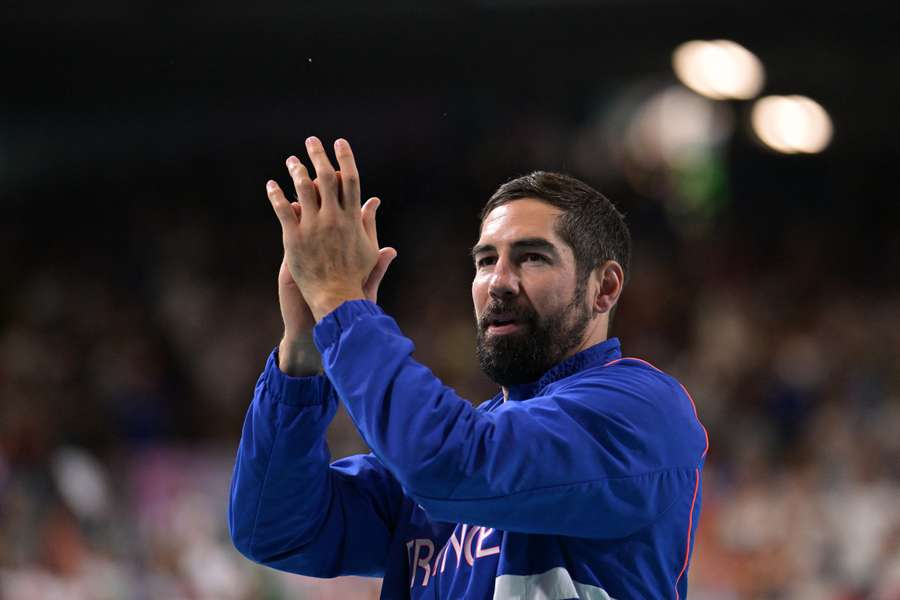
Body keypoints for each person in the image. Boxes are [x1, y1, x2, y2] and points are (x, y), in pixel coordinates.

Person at [228, 136, 708, 599]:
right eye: (484, 261)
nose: (498, 282)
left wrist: (339, 301)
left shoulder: (641, 413)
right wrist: (306, 354)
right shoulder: (469, 447)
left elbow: (448, 461)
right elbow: (272, 528)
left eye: (532, 258)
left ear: (604, 287)